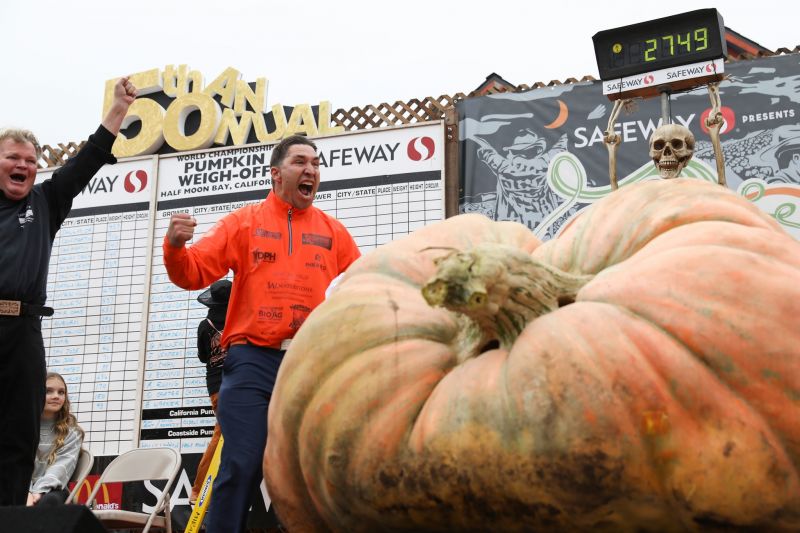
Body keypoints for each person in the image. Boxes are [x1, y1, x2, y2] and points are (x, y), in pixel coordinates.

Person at [163, 134, 361, 533]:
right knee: (241, 463)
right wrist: (174, 246)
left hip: (310, 364)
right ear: (276, 174)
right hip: (252, 361)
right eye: (300, 162)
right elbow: (192, 271)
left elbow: (360, 287)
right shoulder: (244, 222)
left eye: (316, 164)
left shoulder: (333, 233)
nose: (311, 170)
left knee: (311, 471)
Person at [0, 76, 136, 506]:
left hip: (25, 333)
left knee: (20, 437)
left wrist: (119, 108)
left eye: (30, 159)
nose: (22, 164)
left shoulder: (45, 201)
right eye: (12, 157)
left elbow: (89, 159)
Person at [190, 279, 232, 504]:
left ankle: (204, 489)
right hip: (238, 383)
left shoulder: (204, 326)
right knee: (221, 434)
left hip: (216, 387)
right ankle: (198, 490)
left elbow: (203, 357)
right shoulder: (239, 319)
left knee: (226, 433)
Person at [27, 372, 84, 507]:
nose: (56, 396)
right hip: (21, 486)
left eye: (61, 392)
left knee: (49, 502)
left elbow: (61, 468)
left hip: (53, 490)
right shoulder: (21, 427)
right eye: (48, 391)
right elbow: (17, 465)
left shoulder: (73, 432)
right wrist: (26, 492)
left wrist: (38, 492)